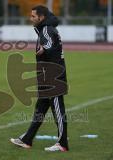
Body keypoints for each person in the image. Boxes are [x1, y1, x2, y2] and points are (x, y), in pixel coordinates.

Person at [10, 5, 69, 152]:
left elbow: (50, 43)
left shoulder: (47, 29)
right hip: (45, 76)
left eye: (33, 16)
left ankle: (62, 143)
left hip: (53, 77)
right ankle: (27, 139)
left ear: (41, 17)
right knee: (40, 109)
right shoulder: (44, 28)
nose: (31, 19)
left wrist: (44, 48)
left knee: (58, 109)